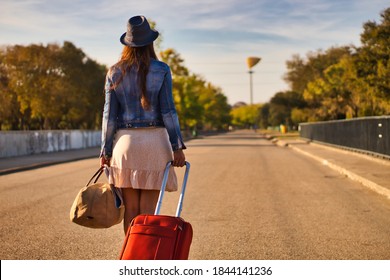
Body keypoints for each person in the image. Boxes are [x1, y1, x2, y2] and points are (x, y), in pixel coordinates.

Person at [99, 15, 186, 233]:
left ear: (127, 43)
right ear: (150, 42)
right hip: (155, 145)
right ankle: (146, 257)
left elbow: (108, 116)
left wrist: (106, 150)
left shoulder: (114, 71)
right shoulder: (162, 69)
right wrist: (177, 147)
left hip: (125, 146)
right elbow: (168, 111)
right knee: (148, 211)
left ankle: (131, 255)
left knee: (131, 210)